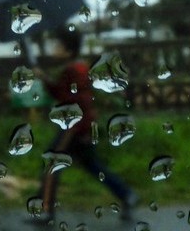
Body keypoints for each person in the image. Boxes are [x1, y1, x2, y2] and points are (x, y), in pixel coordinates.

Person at [29, 30, 138, 224]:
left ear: (67, 49)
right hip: (82, 126)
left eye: (58, 45)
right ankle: (127, 194)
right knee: (92, 166)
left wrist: (77, 128)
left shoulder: (74, 70)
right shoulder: (76, 68)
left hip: (74, 127)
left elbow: (73, 100)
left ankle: (46, 211)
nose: (54, 48)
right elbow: (62, 94)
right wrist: (44, 79)